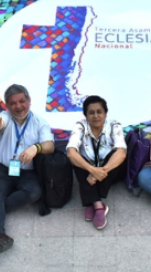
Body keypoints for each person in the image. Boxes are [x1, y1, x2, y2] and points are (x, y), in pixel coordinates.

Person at [0, 84, 55, 256]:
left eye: (22, 101)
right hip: (3, 168)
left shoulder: (40, 122)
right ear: (7, 106)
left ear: (29, 101)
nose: (18, 106)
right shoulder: (5, 117)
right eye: (13, 103)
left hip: (27, 172)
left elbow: (50, 146)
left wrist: (36, 148)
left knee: (33, 193)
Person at [66, 96, 127, 229]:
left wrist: (98, 172)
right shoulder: (80, 126)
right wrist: (92, 170)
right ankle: (98, 204)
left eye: (99, 111)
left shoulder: (114, 126)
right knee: (76, 159)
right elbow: (71, 152)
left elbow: (122, 153)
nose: (96, 116)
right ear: (86, 115)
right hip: (90, 171)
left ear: (105, 113)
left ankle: (90, 201)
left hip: (110, 172)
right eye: (91, 112)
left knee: (115, 154)